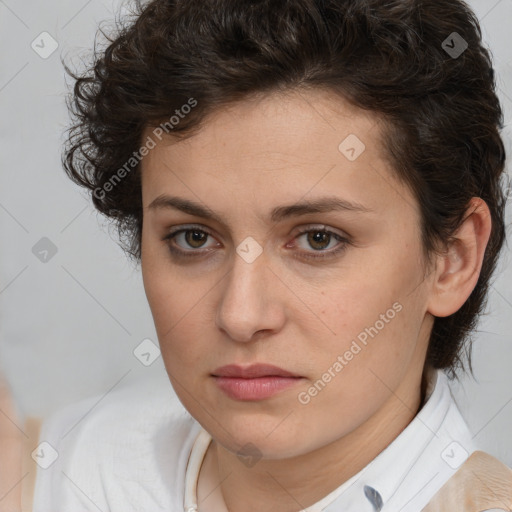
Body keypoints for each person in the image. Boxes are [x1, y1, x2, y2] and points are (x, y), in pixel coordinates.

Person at [32, 0, 512, 510]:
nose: (241, 316)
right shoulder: (67, 466)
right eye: (194, 237)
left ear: (452, 259)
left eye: (318, 239)